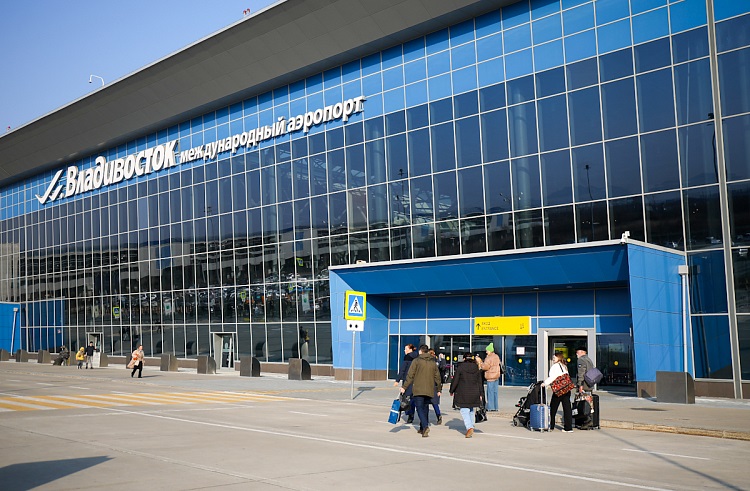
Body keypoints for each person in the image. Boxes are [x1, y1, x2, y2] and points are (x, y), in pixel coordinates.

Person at [401, 345, 442, 437]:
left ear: (420, 351)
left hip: (418, 389)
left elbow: (410, 375)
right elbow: (437, 377)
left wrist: (404, 387)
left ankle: (425, 426)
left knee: (419, 408)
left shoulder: (416, 361)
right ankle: (422, 428)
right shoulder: (432, 362)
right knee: (425, 408)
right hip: (429, 389)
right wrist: (439, 389)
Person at [449, 352, 484, 438]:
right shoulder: (476, 367)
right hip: (474, 392)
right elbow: (480, 382)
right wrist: (481, 393)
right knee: (471, 409)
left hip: (463, 392)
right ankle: (471, 425)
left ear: (464, 359)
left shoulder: (461, 367)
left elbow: (455, 380)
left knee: (464, 410)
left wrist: (452, 390)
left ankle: (469, 427)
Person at [542, 351, 573, 432]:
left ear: (558, 358)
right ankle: (568, 427)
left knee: (553, 407)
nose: (553, 359)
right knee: (567, 408)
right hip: (566, 389)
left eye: (554, 357)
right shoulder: (564, 366)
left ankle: (551, 425)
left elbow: (552, 377)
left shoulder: (555, 366)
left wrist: (545, 383)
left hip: (559, 390)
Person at [393, 344, 418, 423]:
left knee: (407, 398)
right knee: (414, 398)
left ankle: (409, 414)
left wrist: (397, 380)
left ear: (410, 350)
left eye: (406, 349)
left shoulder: (407, 358)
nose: (404, 350)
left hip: (407, 381)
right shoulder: (417, 357)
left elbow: (402, 370)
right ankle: (412, 414)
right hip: (416, 381)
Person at [480, 342, 502, 411]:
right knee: (495, 392)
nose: (486, 352)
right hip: (496, 376)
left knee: (490, 392)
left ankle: (490, 407)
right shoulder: (496, 356)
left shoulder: (488, 358)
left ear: (490, 350)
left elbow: (485, 367)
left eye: (487, 350)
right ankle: (495, 407)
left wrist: (480, 363)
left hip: (490, 377)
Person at [428, 349, 443, 425]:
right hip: (435, 384)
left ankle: (425, 418)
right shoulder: (437, 361)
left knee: (425, 403)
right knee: (435, 403)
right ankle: (438, 415)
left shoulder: (428, 362)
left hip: (428, 383)